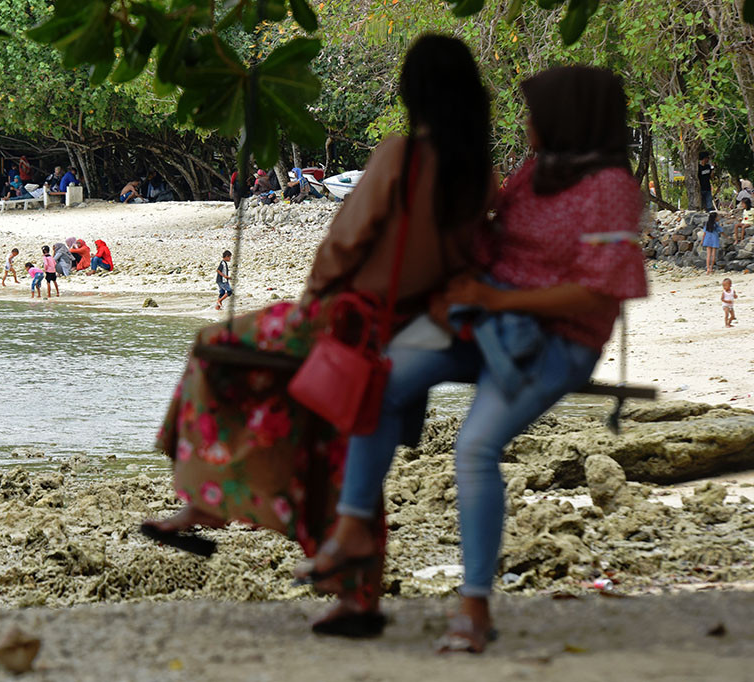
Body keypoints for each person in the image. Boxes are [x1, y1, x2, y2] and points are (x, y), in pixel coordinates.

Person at [142, 34, 494, 638]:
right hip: (408, 331)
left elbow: (348, 239)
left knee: (218, 350)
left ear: (413, 92)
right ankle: (357, 603)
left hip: (347, 318)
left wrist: (313, 299)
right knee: (340, 449)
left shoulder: (402, 154)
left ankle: (206, 496)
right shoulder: (478, 176)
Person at [306, 65, 648, 652]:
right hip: (484, 318)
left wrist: (494, 297)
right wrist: (453, 294)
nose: (530, 125)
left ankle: (474, 607)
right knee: (377, 380)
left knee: (475, 447)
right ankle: (354, 528)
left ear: (570, 118)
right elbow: (490, 239)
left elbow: (599, 291)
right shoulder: (535, 173)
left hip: (557, 339)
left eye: (539, 114)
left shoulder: (611, 188)